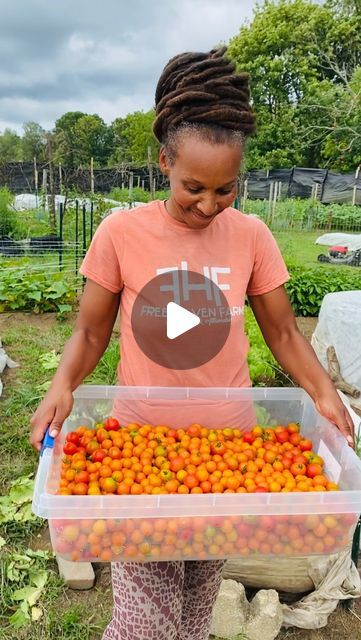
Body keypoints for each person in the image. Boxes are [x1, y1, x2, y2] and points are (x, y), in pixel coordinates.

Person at [30, 46, 354, 640]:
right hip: (140, 456)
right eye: (193, 188)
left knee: (195, 607)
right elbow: (91, 330)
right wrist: (61, 384)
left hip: (229, 456)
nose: (208, 205)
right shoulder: (121, 233)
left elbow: (282, 331)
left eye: (225, 190)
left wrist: (324, 391)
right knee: (143, 624)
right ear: (163, 163)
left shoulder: (252, 236)